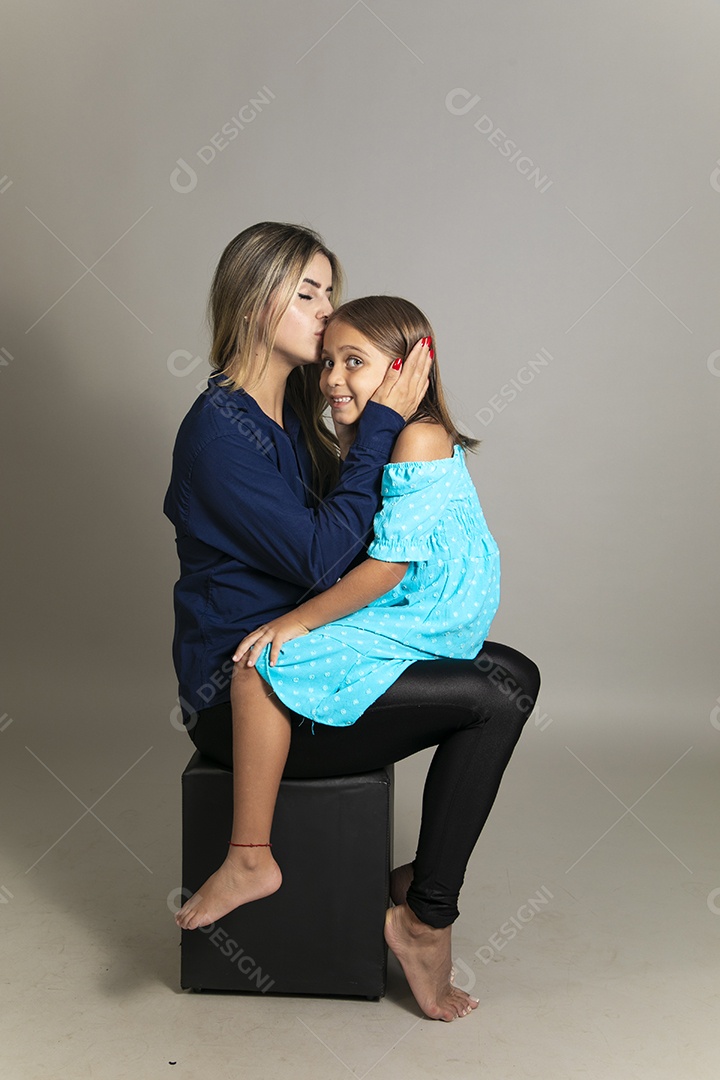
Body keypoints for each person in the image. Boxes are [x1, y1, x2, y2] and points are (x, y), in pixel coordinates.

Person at [164, 223, 541, 1022]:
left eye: (329, 293)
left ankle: (417, 894)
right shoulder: (218, 430)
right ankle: (425, 918)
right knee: (498, 694)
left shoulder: (296, 418)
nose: (324, 311)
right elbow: (317, 558)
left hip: (318, 656)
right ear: (253, 298)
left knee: (511, 673)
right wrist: (379, 431)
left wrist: (413, 454)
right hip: (246, 689)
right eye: (307, 294)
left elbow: (363, 547)